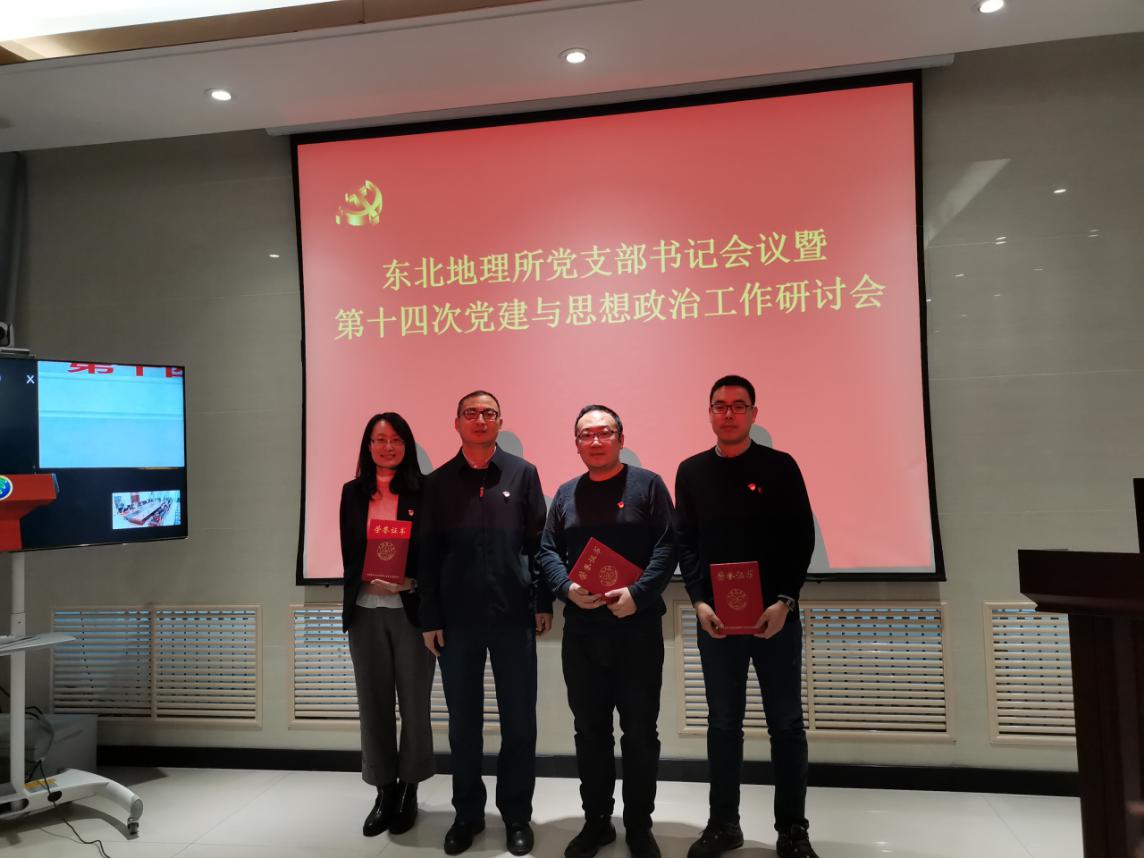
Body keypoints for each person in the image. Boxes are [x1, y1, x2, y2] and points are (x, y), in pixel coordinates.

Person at [674, 375, 818, 858]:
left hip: (776, 618)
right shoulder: (691, 472)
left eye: (739, 405)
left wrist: (785, 600)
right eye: (720, 405)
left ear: (754, 413)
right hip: (717, 622)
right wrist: (699, 600)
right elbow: (686, 543)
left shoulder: (780, 466)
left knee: (787, 725)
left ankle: (792, 830)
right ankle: (723, 825)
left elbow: (801, 537)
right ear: (709, 413)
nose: (729, 413)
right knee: (722, 725)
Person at [537, 405, 677, 858]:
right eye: (586, 435)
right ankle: (596, 822)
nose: (595, 441)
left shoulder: (648, 485)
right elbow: (547, 550)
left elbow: (668, 545)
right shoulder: (565, 494)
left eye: (604, 432)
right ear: (576, 443)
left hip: (637, 629)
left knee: (640, 733)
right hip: (583, 632)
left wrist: (638, 593)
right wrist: (565, 589)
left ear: (620, 438)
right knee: (590, 731)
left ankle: (639, 826)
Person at [417, 390, 553, 856]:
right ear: (456, 422)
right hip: (457, 622)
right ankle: (467, 815)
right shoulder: (437, 484)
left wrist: (543, 601)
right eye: (471, 413)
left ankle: (516, 815)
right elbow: (426, 555)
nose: (480, 419)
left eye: (488, 413)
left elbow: (538, 544)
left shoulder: (523, 474)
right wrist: (430, 616)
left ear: (500, 422)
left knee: (519, 723)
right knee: (463, 724)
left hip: (514, 617)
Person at [338, 412, 436, 837]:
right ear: (368, 446)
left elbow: (435, 552)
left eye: (395, 439)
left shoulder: (425, 491)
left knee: (414, 706)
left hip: (410, 612)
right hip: (365, 610)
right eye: (379, 440)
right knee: (373, 704)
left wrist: (411, 581)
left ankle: (410, 787)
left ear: (406, 445)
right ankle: (384, 790)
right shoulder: (352, 492)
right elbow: (349, 551)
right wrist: (367, 571)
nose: (388, 447)